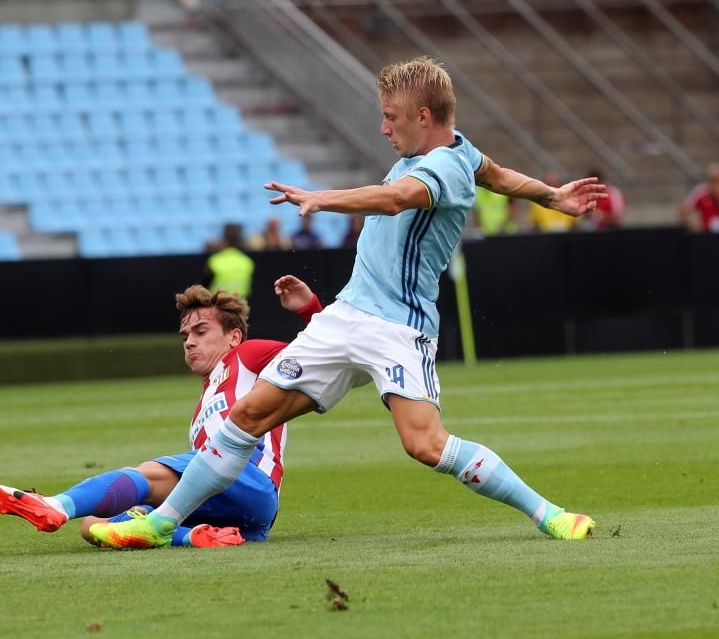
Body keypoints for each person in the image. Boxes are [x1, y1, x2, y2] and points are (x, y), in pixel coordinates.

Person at [90, 56, 605, 550]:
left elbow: (399, 198)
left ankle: (549, 515)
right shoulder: (460, 153)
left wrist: (322, 198)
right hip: (344, 317)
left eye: (391, 116)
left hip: (398, 329)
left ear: (424, 117)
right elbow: (495, 173)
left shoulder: (444, 167)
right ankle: (160, 524)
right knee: (247, 415)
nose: (383, 128)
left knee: (425, 445)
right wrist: (550, 196)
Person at [0, 275, 322, 548]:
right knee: (93, 526)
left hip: (250, 479)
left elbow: (327, 352)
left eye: (201, 331)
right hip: (242, 517)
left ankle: (58, 505)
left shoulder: (248, 354)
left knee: (147, 474)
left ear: (233, 336)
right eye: (184, 334)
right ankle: (194, 536)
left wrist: (309, 309)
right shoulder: (204, 403)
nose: (189, 341)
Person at [205, 223, 254, 298]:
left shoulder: (215, 260)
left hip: (218, 302)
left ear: (224, 240)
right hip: (240, 302)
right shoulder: (247, 261)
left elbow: (205, 284)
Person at [678, 162, 719, 233]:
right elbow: (682, 210)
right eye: (712, 180)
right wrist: (694, 225)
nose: (715, 184)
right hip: (707, 236)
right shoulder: (701, 192)